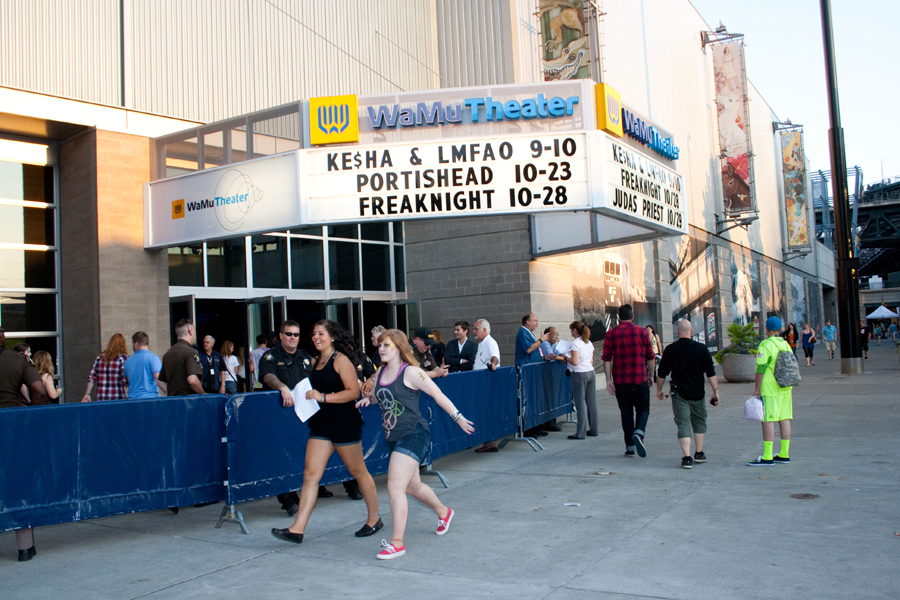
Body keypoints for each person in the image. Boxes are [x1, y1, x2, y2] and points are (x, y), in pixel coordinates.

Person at [357, 329, 474, 559]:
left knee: (395, 487)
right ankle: (444, 512)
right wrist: (368, 399)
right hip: (392, 436)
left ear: (399, 347)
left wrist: (458, 418)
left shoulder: (411, 372)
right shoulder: (381, 372)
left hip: (414, 434)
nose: (381, 349)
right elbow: (380, 395)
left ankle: (397, 543)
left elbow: (438, 395)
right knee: (412, 487)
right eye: (380, 345)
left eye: (387, 345)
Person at [271, 320, 381, 544]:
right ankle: (297, 529)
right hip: (322, 423)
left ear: (332, 336)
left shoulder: (341, 360)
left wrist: (323, 397)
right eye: (313, 334)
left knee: (358, 472)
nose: (315, 337)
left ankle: (374, 518)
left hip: (344, 423)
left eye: (320, 333)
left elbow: (353, 392)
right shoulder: (316, 361)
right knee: (310, 475)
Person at [257, 320, 318, 515]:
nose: (292, 338)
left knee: (304, 454)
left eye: (296, 334)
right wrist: (282, 387)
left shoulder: (306, 357)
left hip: (304, 417)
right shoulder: (271, 356)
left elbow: (317, 379)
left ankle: (311, 490)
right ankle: (287, 498)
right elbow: (267, 376)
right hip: (280, 416)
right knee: (282, 457)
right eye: (289, 334)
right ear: (280, 335)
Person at [0, 327, 48, 561]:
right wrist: (33, 416)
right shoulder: (17, 360)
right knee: (18, 484)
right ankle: (25, 548)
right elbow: (39, 391)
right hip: (10, 426)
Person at [655, 319, 720, 469]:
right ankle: (699, 453)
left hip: (679, 394)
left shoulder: (671, 349)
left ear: (677, 332)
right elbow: (711, 373)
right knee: (699, 421)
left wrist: (659, 389)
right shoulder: (702, 349)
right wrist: (715, 391)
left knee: (683, 423)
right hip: (698, 393)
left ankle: (687, 458)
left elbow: (662, 373)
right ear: (691, 331)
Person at [602, 304, 656, 458]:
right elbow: (651, 356)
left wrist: (608, 379)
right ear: (633, 316)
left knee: (626, 413)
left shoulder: (611, 333)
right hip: (639, 378)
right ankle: (639, 432)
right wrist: (651, 375)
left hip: (621, 380)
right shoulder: (642, 332)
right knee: (643, 409)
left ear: (618, 317)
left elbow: (607, 359)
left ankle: (630, 447)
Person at [747, 316, 794, 467]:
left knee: (767, 419)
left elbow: (760, 368)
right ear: (780, 329)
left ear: (766, 329)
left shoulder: (765, 345)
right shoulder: (785, 344)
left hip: (770, 387)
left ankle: (767, 456)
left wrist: (757, 388)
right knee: (784, 418)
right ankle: (784, 454)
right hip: (785, 386)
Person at [472, 319, 502, 453]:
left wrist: (493, 364)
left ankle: (491, 443)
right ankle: (488, 441)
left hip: (487, 384)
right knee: (484, 412)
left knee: (488, 413)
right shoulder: (482, 343)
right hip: (480, 383)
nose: (474, 331)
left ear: (484, 329)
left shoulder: (490, 342)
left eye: (476, 329)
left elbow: (495, 357)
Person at [566, 321, 598, 440]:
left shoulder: (575, 343)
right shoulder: (588, 342)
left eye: (571, 329)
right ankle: (594, 429)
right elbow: (591, 361)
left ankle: (580, 432)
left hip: (579, 373)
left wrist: (565, 357)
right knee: (591, 403)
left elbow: (575, 362)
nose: (571, 332)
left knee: (580, 403)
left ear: (575, 330)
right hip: (590, 372)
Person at [158, 319, 206, 397]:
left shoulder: (168, 353)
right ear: (190, 332)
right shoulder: (190, 352)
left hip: (173, 400)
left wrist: (172, 393)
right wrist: (203, 394)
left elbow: (161, 382)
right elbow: (192, 380)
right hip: (190, 400)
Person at [82, 333, 128, 402]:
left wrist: (87, 394)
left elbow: (91, 377)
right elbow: (125, 380)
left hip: (101, 399)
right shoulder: (122, 358)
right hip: (117, 398)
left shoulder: (99, 359)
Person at [123, 332, 166, 398]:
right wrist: (171, 394)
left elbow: (127, 380)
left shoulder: (128, 361)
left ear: (136, 344)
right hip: (150, 399)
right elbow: (159, 381)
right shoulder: (153, 358)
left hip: (132, 399)